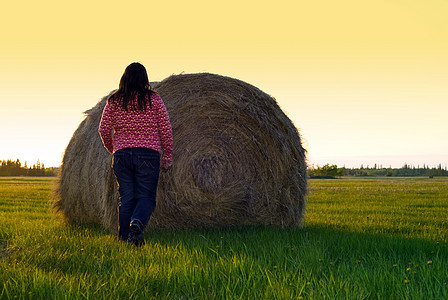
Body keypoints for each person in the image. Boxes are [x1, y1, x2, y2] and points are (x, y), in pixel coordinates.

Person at [98, 62, 173, 246]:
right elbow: (165, 129)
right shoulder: (154, 100)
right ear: (144, 79)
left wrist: (113, 148)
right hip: (148, 154)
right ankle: (137, 223)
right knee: (146, 197)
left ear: (124, 78)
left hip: (122, 155)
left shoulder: (114, 101)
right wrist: (168, 155)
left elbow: (103, 129)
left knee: (126, 199)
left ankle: (124, 240)